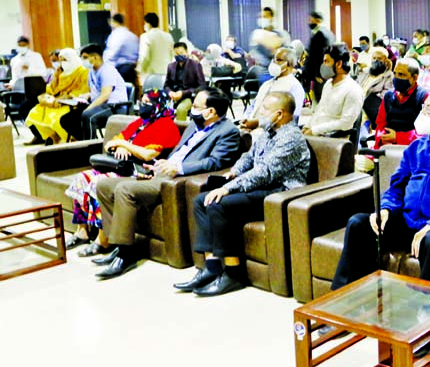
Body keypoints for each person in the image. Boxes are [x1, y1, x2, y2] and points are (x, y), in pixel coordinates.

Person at [330, 86, 430, 296]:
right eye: (423, 109)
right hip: (411, 220)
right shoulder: (417, 147)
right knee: (359, 224)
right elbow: (396, 186)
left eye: (429, 111)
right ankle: (343, 298)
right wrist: (386, 209)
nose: (422, 115)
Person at [91, 88, 242, 278]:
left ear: (211, 111)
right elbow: (176, 153)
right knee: (104, 185)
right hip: (162, 172)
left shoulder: (228, 132)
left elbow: (215, 162)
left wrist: (178, 168)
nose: (191, 109)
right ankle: (115, 243)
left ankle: (126, 252)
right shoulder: (194, 126)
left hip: (177, 179)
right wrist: (157, 167)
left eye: (195, 106)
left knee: (124, 189)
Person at [176, 92, 310, 297]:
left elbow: (264, 172)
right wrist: (235, 171)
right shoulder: (269, 131)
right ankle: (210, 268)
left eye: (265, 109)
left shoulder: (291, 138)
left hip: (280, 193)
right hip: (261, 188)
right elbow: (249, 156)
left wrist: (229, 187)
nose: (261, 113)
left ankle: (233, 274)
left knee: (219, 203)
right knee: (201, 200)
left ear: (279, 114)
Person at [65, 89, 181, 253]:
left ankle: (103, 239)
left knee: (99, 183)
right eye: (141, 101)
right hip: (121, 165)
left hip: (140, 171)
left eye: (147, 103)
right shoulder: (140, 123)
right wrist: (120, 145)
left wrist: (126, 145)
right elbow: (110, 143)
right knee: (82, 178)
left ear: (159, 106)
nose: (142, 105)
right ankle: (82, 231)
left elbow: (148, 155)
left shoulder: (167, 126)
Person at [59, 43, 129, 141]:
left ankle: (91, 149)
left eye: (85, 57)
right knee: (66, 120)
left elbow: (105, 94)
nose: (83, 61)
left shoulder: (107, 70)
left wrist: (89, 108)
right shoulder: (92, 71)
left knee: (88, 115)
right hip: (100, 105)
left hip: (114, 107)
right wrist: (86, 96)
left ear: (95, 57)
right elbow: (97, 91)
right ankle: (87, 141)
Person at [24, 48, 90, 145]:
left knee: (56, 118)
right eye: (61, 60)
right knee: (35, 112)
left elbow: (83, 90)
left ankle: (72, 137)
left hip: (70, 103)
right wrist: (48, 97)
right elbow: (51, 87)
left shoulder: (82, 71)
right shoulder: (59, 71)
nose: (62, 63)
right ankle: (53, 137)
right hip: (56, 101)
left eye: (65, 60)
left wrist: (67, 96)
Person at [239, 47, 305, 137]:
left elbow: (291, 120)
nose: (273, 63)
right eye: (273, 60)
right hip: (250, 127)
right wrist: (245, 119)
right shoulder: (267, 84)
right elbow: (253, 106)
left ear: (289, 64)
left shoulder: (295, 87)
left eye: (278, 60)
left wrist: (257, 124)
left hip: (271, 133)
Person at [301, 44, 363, 138]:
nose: (323, 66)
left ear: (339, 64)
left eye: (326, 62)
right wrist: (307, 126)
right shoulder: (328, 84)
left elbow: (345, 124)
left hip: (332, 140)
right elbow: (319, 110)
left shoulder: (353, 90)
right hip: (316, 134)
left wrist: (315, 130)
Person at [372, 58, 428, 148]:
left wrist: (398, 137)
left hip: (411, 150)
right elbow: (380, 124)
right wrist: (381, 137)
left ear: (414, 78)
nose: (396, 77)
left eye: (401, 74)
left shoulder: (424, 97)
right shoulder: (388, 96)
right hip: (386, 148)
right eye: (395, 73)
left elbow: (426, 133)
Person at [164, 42, 206, 121]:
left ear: (186, 52)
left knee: (181, 109)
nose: (179, 55)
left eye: (181, 53)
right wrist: (170, 92)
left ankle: (180, 132)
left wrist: (183, 93)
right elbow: (166, 85)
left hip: (189, 96)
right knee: (159, 109)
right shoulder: (171, 66)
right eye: (176, 53)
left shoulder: (195, 65)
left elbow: (202, 86)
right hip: (172, 97)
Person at [358, 46, 394, 132]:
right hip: (357, 105)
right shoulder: (366, 73)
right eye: (374, 58)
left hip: (371, 110)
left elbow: (386, 95)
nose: (376, 60)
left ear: (385, 60)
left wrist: (368, 100)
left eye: (379, 58)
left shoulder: (389, 76)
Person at [301, 11, 334, 103]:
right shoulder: (320, 32)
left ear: (318, 20)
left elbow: (318, 56)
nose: (309, 22)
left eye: (311, 20)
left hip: (319, 72)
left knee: (320, 95)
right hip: (318, 71)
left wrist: (317, 74)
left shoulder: (320, 35)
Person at [249, 6, 291, 77]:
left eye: (265, 16)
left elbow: (286, 52)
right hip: (264, 69)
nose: (263, 19)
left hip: (280, 68)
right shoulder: (257, 35)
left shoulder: (281, 34)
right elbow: (255, 54)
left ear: (271, 18)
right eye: (261, 17)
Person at [138, 13, 175, 82]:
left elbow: (144, 56)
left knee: (151, 93)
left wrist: (140, 69)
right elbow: (172, 55)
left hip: (151, 75)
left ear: (148, 24)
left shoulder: (145, 36)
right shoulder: (168, 36)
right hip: (166, 74)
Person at [104, 13, 139, 85]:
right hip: (132, 69)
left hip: (121, 70)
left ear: (113, 22)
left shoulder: (116, 35)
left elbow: (112, 53)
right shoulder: (132, 35)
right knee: (131, 93)